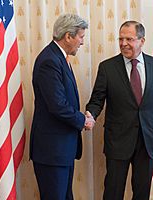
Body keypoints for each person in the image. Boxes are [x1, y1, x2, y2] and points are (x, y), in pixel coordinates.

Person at [86, 21, 153, 200]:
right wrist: (90, 114)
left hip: (147, 139)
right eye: (121, 39)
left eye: (129, 39)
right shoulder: (107, 67)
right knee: (113, 191)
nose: (123, 43)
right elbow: (97, 99)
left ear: (142, 40)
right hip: (118, 140)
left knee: (142, 191)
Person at [30, 14, 93, 200]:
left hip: (62, 149)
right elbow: (58, 105)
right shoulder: (49, 61)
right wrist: (83, 120)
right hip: (52, 152)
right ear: (68, 36)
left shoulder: (58, 57)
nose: (82, 42)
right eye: (81, 37)